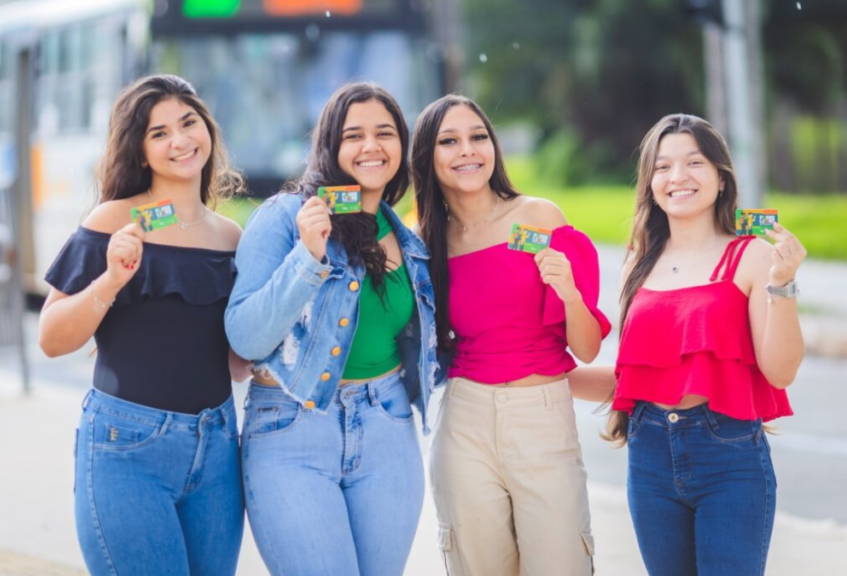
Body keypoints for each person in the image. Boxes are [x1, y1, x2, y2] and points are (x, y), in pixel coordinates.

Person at [573, 113, 805, 576]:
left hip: (729, 457)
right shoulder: (638, 263)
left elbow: (780, 372)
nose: (677, 177)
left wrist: (783, 284)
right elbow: (630, 378)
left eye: (694, 163)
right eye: (662, 167)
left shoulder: (753, 256)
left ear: (721, 179)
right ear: (650, 184)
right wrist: (537, 372)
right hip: (649, 456)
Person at [224, 82, 439, 576]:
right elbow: (245, 339)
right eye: (353, 135)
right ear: (329, 147)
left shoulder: (406, 237)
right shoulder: (283, 218)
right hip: (291, 429)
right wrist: (308, 255)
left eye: (385, 133)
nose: (371, 146)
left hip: (386, 428)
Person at [38, 75, 249, 576]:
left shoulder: (230, 237)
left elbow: (238, 364)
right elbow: (50, 337)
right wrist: (110, 281)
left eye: (188, 123)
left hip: (217, 448)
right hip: (126, 448)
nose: (179, 141)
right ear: (139, 151)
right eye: (159, 133)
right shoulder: (113, 221)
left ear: (208, 131)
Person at [413, 94, 610, 575]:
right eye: (449, 141)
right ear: (428, 157)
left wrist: (568, 292)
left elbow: (586, 348)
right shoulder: (424, 242)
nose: (468, 150)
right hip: (464, 422)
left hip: (541, 416)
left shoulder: (538, 217)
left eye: (478, 137)